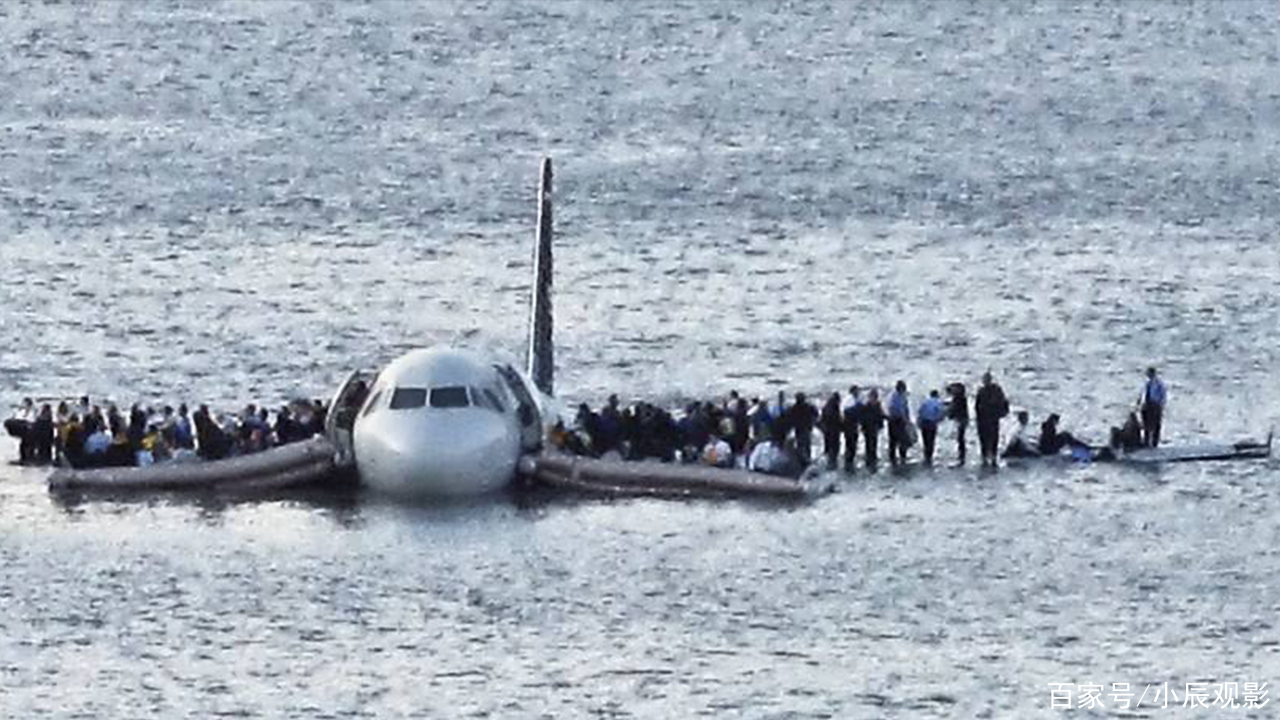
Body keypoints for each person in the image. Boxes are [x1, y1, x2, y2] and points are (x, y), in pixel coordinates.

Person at [974, 372, 1009, 467]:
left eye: (986, 379)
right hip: (983, 418)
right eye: (984, 380)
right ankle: (985, 456)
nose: (985, 382)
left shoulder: (996, 390)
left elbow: (1004, 402)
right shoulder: (982, 391)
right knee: (984, 438)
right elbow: (977, 406)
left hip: (993, 417)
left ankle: (992, 456)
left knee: (993, 437)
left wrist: (1003, 413)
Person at [785, 392, 818, 467]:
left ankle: (802, 462)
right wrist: (813, 422)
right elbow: (816, 414)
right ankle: (807, 460)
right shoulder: (809, 406)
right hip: (806, 428)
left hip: (799, 429)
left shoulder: (794, 408)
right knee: (807, 444)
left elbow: (789, 417)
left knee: (801, 445)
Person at [1140, 367, 1167, 447]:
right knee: (1146, 423)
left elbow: (1163, 395)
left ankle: (1155, 442)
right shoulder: (1147, 383)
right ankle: (1146, 441)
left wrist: (1160, 404)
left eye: (1149, 373)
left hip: (1155, 405)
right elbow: (1143, 394)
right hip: (1147, 404)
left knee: (1156, 424)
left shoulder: (1159, 383)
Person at [917, 389, 945, 465]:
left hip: (924, 422)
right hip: (932, 423)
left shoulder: (925, 402)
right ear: (937, 395)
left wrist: (919, 422)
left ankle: (926, 455)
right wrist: (939, 420)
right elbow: (941, 413)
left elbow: (919, 412)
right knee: (931, 440)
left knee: (925, 440)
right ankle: (929, 457)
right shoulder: (938, 402)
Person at [886, 381, 912, 466]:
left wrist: (908, 418)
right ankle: (898, 457)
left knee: (896, 440)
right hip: (896, 420)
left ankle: (896, 457)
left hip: (897, 420)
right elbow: (899, 409)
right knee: (898, 439)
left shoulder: (900, 396)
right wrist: (905, 420)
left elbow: (906, 408)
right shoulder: (895, 396)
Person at [860, 388, 886, 469]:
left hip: (875, 427)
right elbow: (862, 418)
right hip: (867, 428)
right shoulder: (865, 406)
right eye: (872, 397)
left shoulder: (878, 405)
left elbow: (880, 415)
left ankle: (873, 457)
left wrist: (882, 423)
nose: (873, 399)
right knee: (868, 443)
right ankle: (869, 459)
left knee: (874, 442)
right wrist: (862, 426)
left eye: (875, 397)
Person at [946, 383, 970, 465]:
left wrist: (949, 414)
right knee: (960, 438)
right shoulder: (961, 398)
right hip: (963, 419)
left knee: (960, 438)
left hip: (961, 420)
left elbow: (955, 409)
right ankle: (961, 456)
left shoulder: (958, 398)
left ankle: (961, 457)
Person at [818, 392, 843, 470]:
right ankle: (832, 466)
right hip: (834, 431)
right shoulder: (834, 407)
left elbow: (821, 419)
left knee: (828, 448)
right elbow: (837, 420)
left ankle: (828, 464)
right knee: (834, 449)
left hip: (827, 431)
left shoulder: (826, 407)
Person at [841, 386, 863, 472]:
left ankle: (849, 461)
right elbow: (848, 412)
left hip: (850, 425)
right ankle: (849, 462)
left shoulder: (849, 399)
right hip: (850, 425)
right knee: (851, 444)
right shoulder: (850, 400)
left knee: (850, 443)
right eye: (857, 391)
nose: (858, 393)